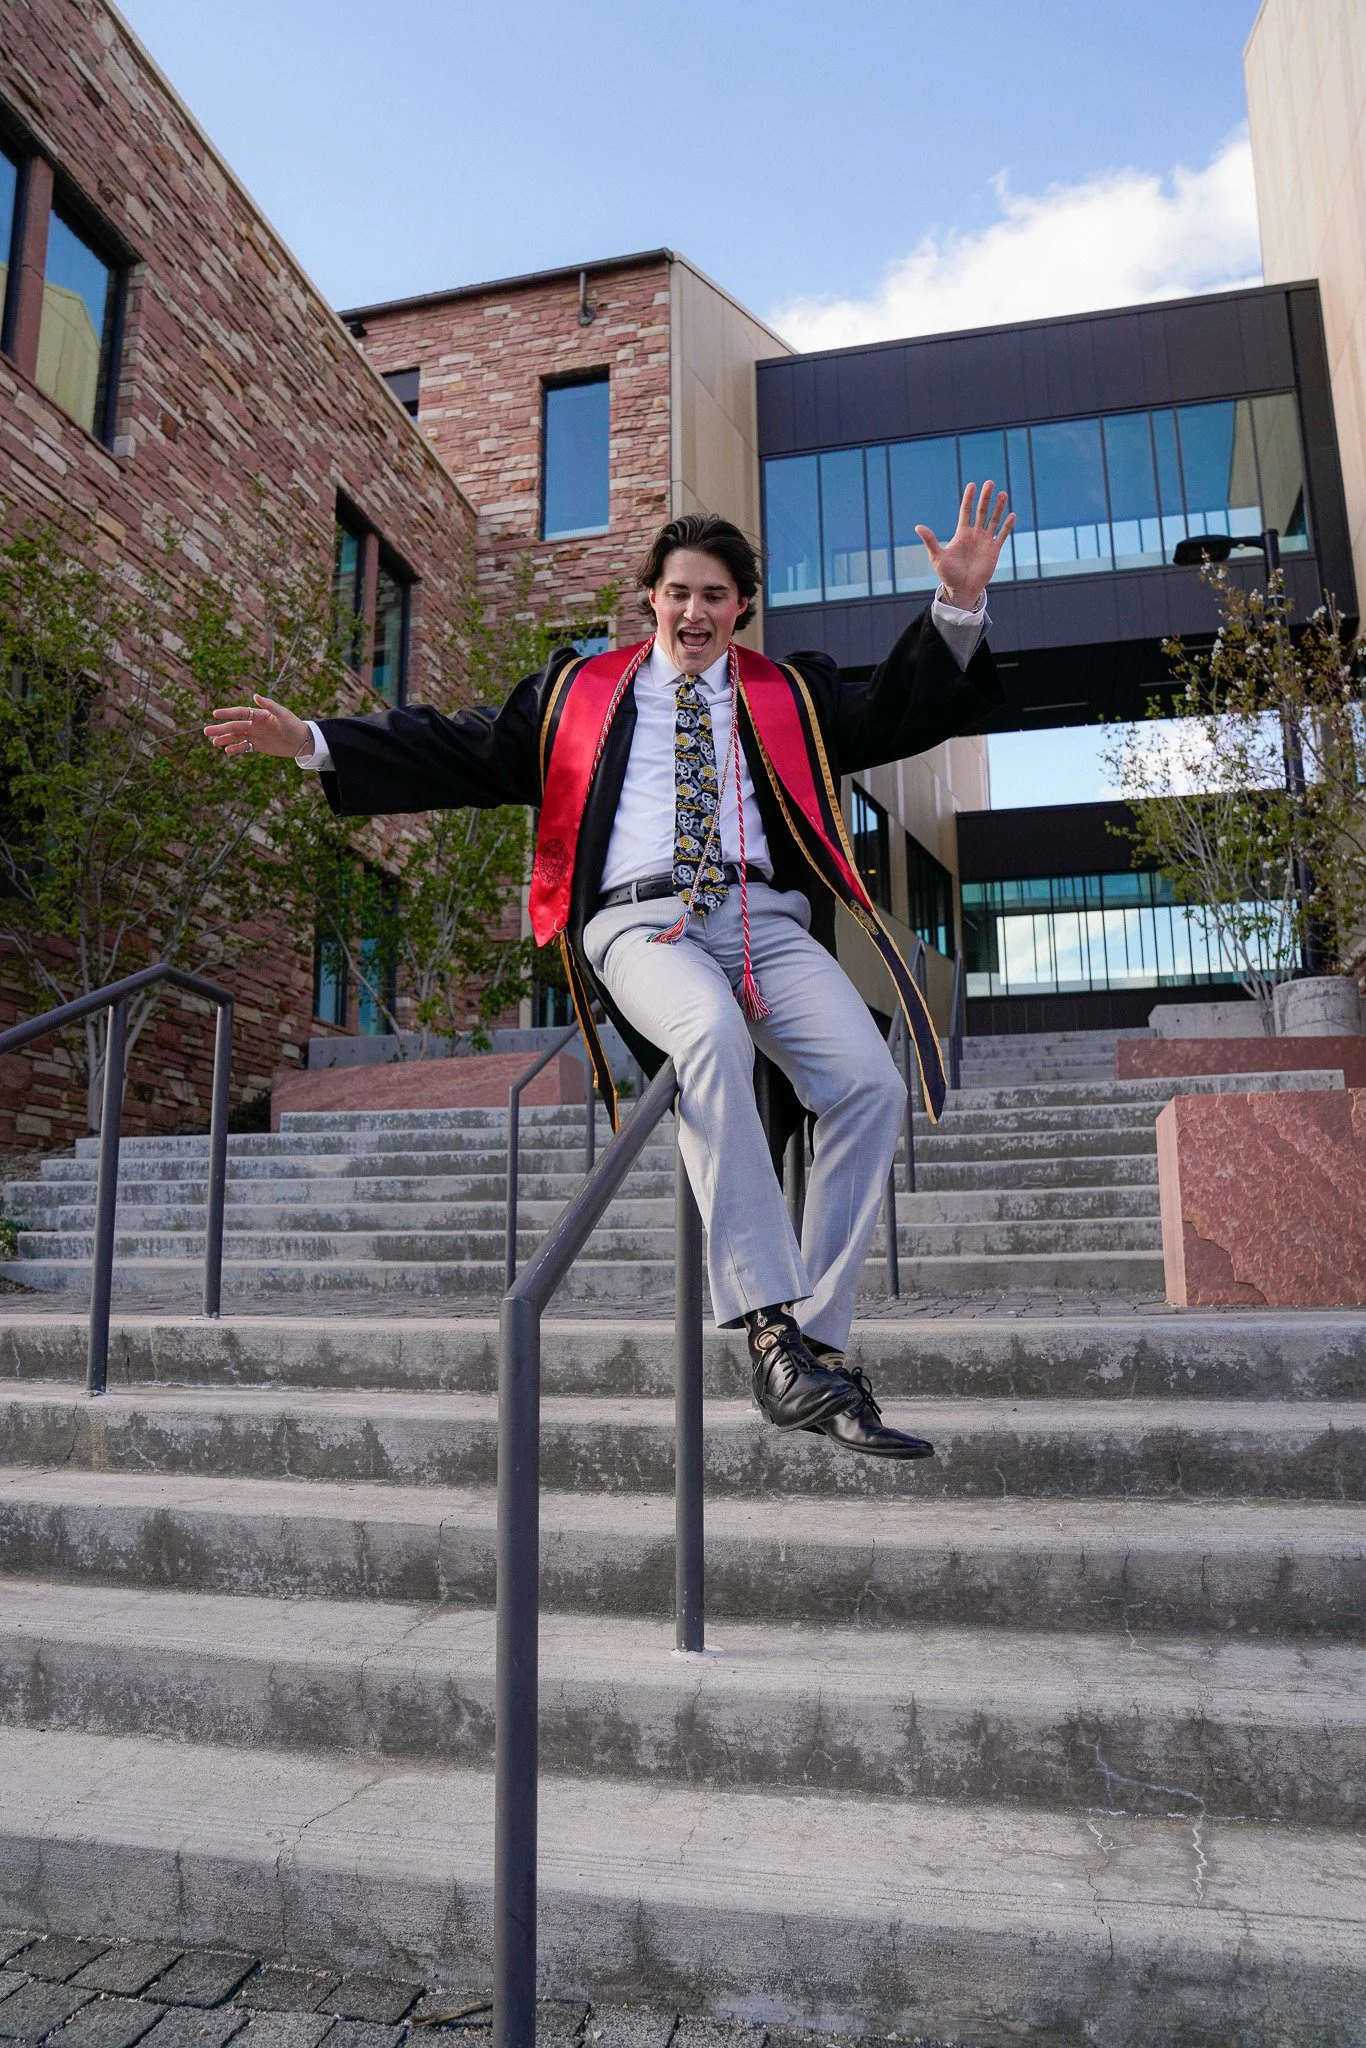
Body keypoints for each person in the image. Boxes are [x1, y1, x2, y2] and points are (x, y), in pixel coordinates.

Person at [206, 485, 1013, 1459]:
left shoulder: (785, 693)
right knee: (707, 1034)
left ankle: (816, 1345)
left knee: (870, 1086)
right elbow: (457, 743)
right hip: (643, 924)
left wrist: (956, 608)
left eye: (715, 594)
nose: (694, 611)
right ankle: (766, 1321)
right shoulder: (577, 698)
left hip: (766, 921)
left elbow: (892, 709)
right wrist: (316, 741)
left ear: (742, 606)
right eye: (677, 592)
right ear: (648, 600)